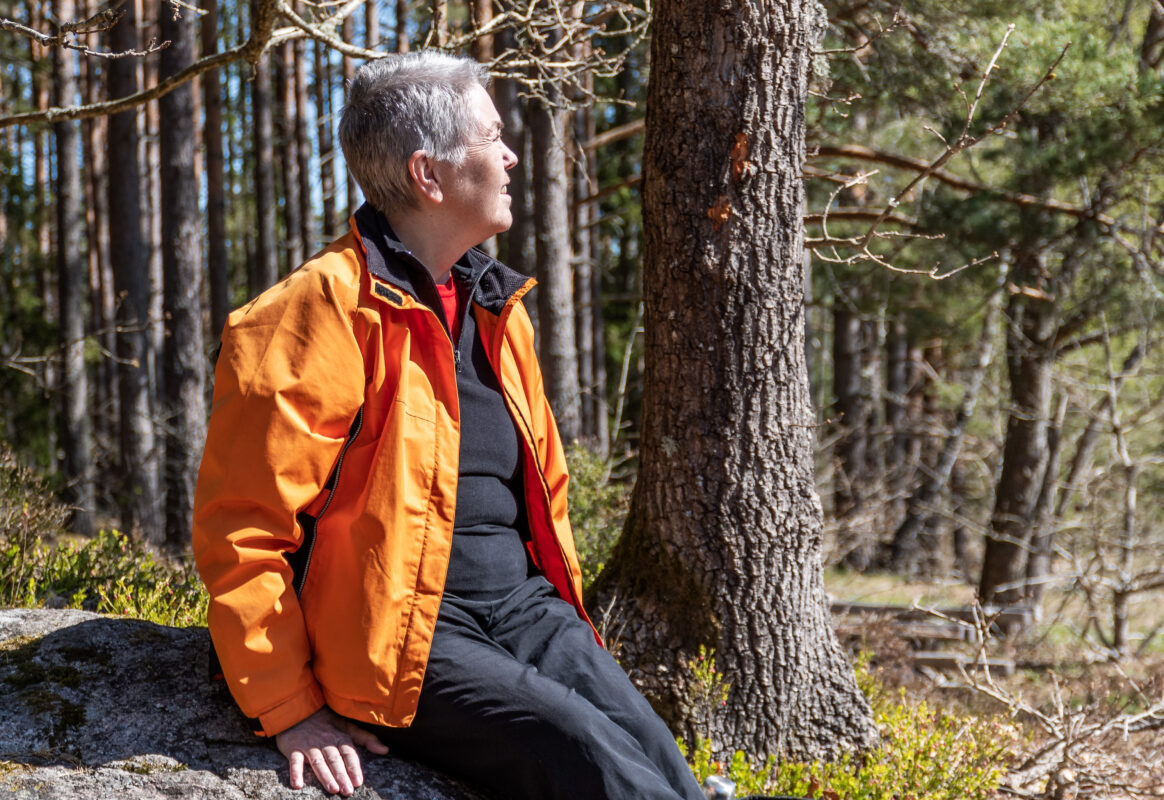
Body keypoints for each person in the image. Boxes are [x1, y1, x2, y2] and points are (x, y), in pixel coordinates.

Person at [193, 51, 705, 800]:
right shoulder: (315, 311)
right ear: (428, 174)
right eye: (492, 137)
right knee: (588, 754)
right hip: (404, 634)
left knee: (658, 759)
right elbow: (243, 531)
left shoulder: (497, 306)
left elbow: (543, 494)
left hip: (527, 610)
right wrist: (288, 708)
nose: (512, 156)